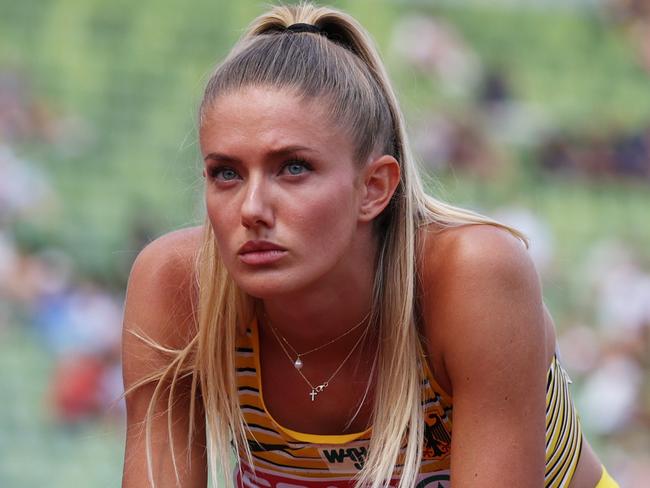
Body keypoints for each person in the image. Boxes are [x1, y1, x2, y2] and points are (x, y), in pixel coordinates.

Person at [121, 3, 619, 487]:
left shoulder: (473, 274)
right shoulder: (178, 286)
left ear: (374, 187)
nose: (251, 208)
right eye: (225, 173)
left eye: (293, 167)